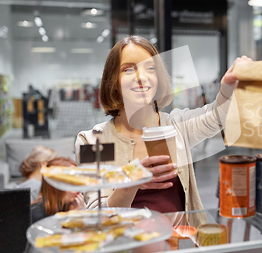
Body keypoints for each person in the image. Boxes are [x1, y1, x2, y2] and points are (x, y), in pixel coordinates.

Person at [75, 36, 250, 223]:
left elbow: (215, 117)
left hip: (179, 245)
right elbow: (97, 214)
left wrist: (228, 89)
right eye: (128, 69)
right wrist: (132, 182)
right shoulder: (91, 141)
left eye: (150, 68)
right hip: (125, 248)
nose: (141, 77)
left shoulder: (176, 126)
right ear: (113, 82)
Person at [31, 157, 85, 223]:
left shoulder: (75, 206)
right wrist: (72, 219)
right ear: (54, 187)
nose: (77, 189)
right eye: (69, 184)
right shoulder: (35, 214)